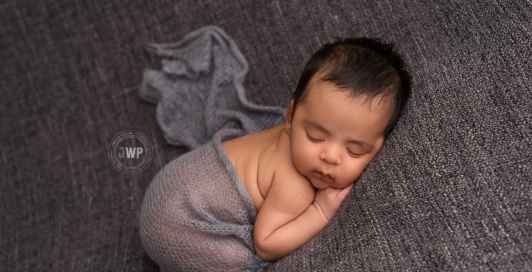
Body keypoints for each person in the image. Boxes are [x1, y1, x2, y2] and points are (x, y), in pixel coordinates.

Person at [139, 37, 411, 271]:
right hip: (178, 228)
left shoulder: (294, 133)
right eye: (315, 137)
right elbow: (266, 245)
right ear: (290, 117)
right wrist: (319, 212)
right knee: (241, 261)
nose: (330, 156)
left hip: (169, 186)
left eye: (354, 150)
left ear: (378, 145)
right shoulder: (294, 186)